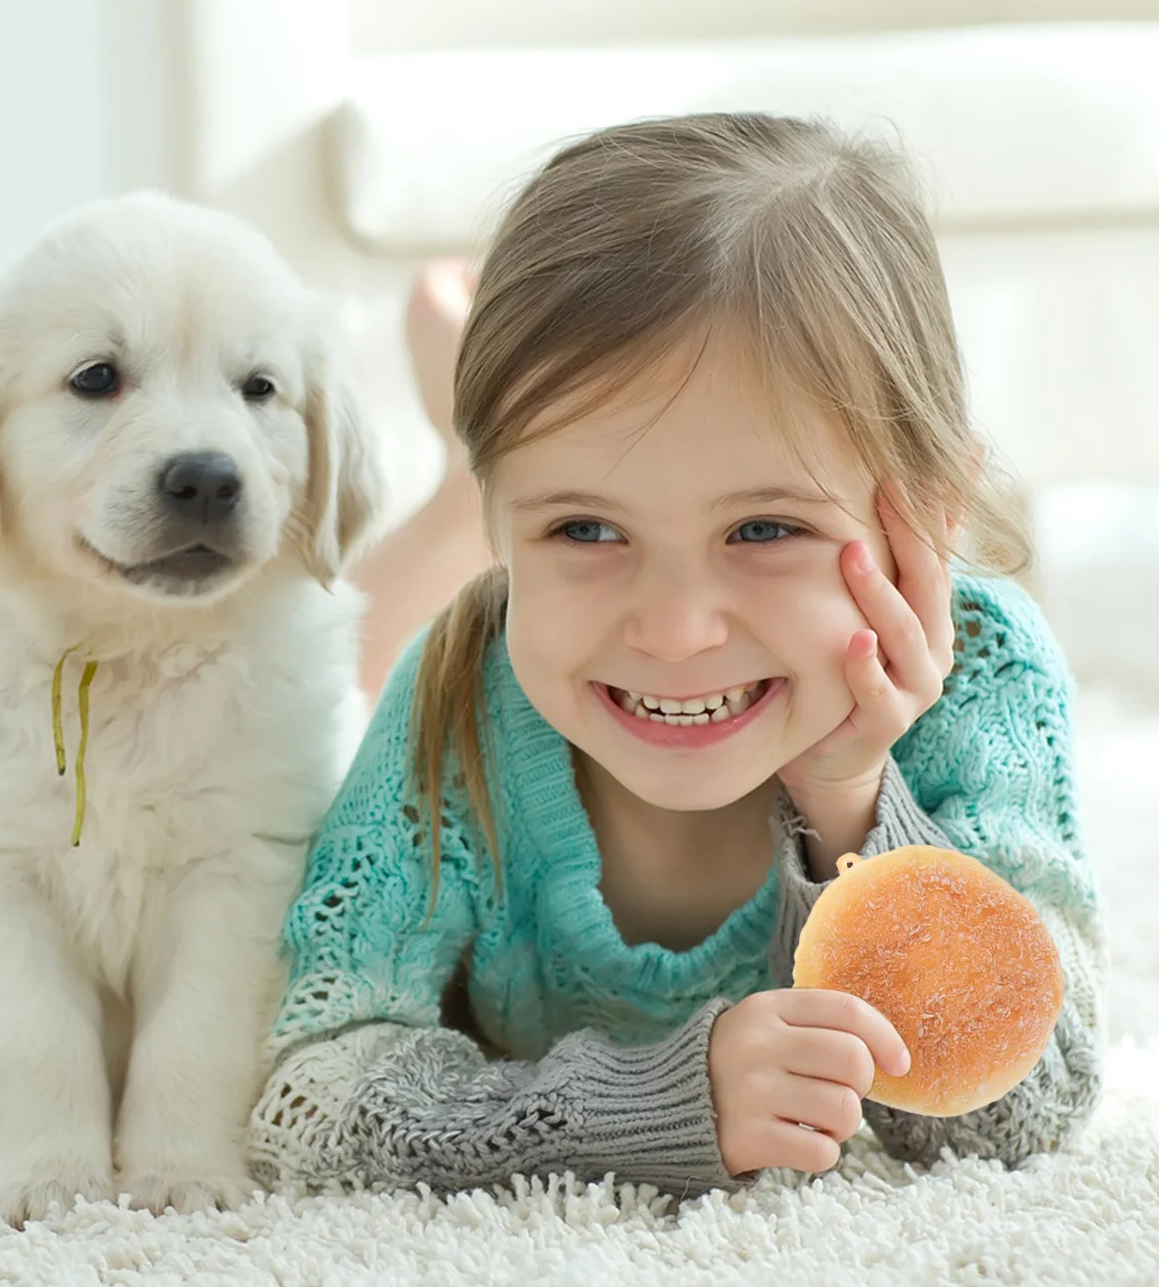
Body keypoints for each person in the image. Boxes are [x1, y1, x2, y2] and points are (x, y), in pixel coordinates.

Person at [248, 113, 1104, 1193]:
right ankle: (457, 468)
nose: (673, 628)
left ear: (923, 516)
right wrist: (651, 1103)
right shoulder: (455, 699)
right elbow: (306, 1094)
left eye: (763, 529)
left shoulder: (986, 671)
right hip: (473, 604)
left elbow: (1028, 1109)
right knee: (327, 662)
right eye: (585, 528)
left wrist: (851, 801)